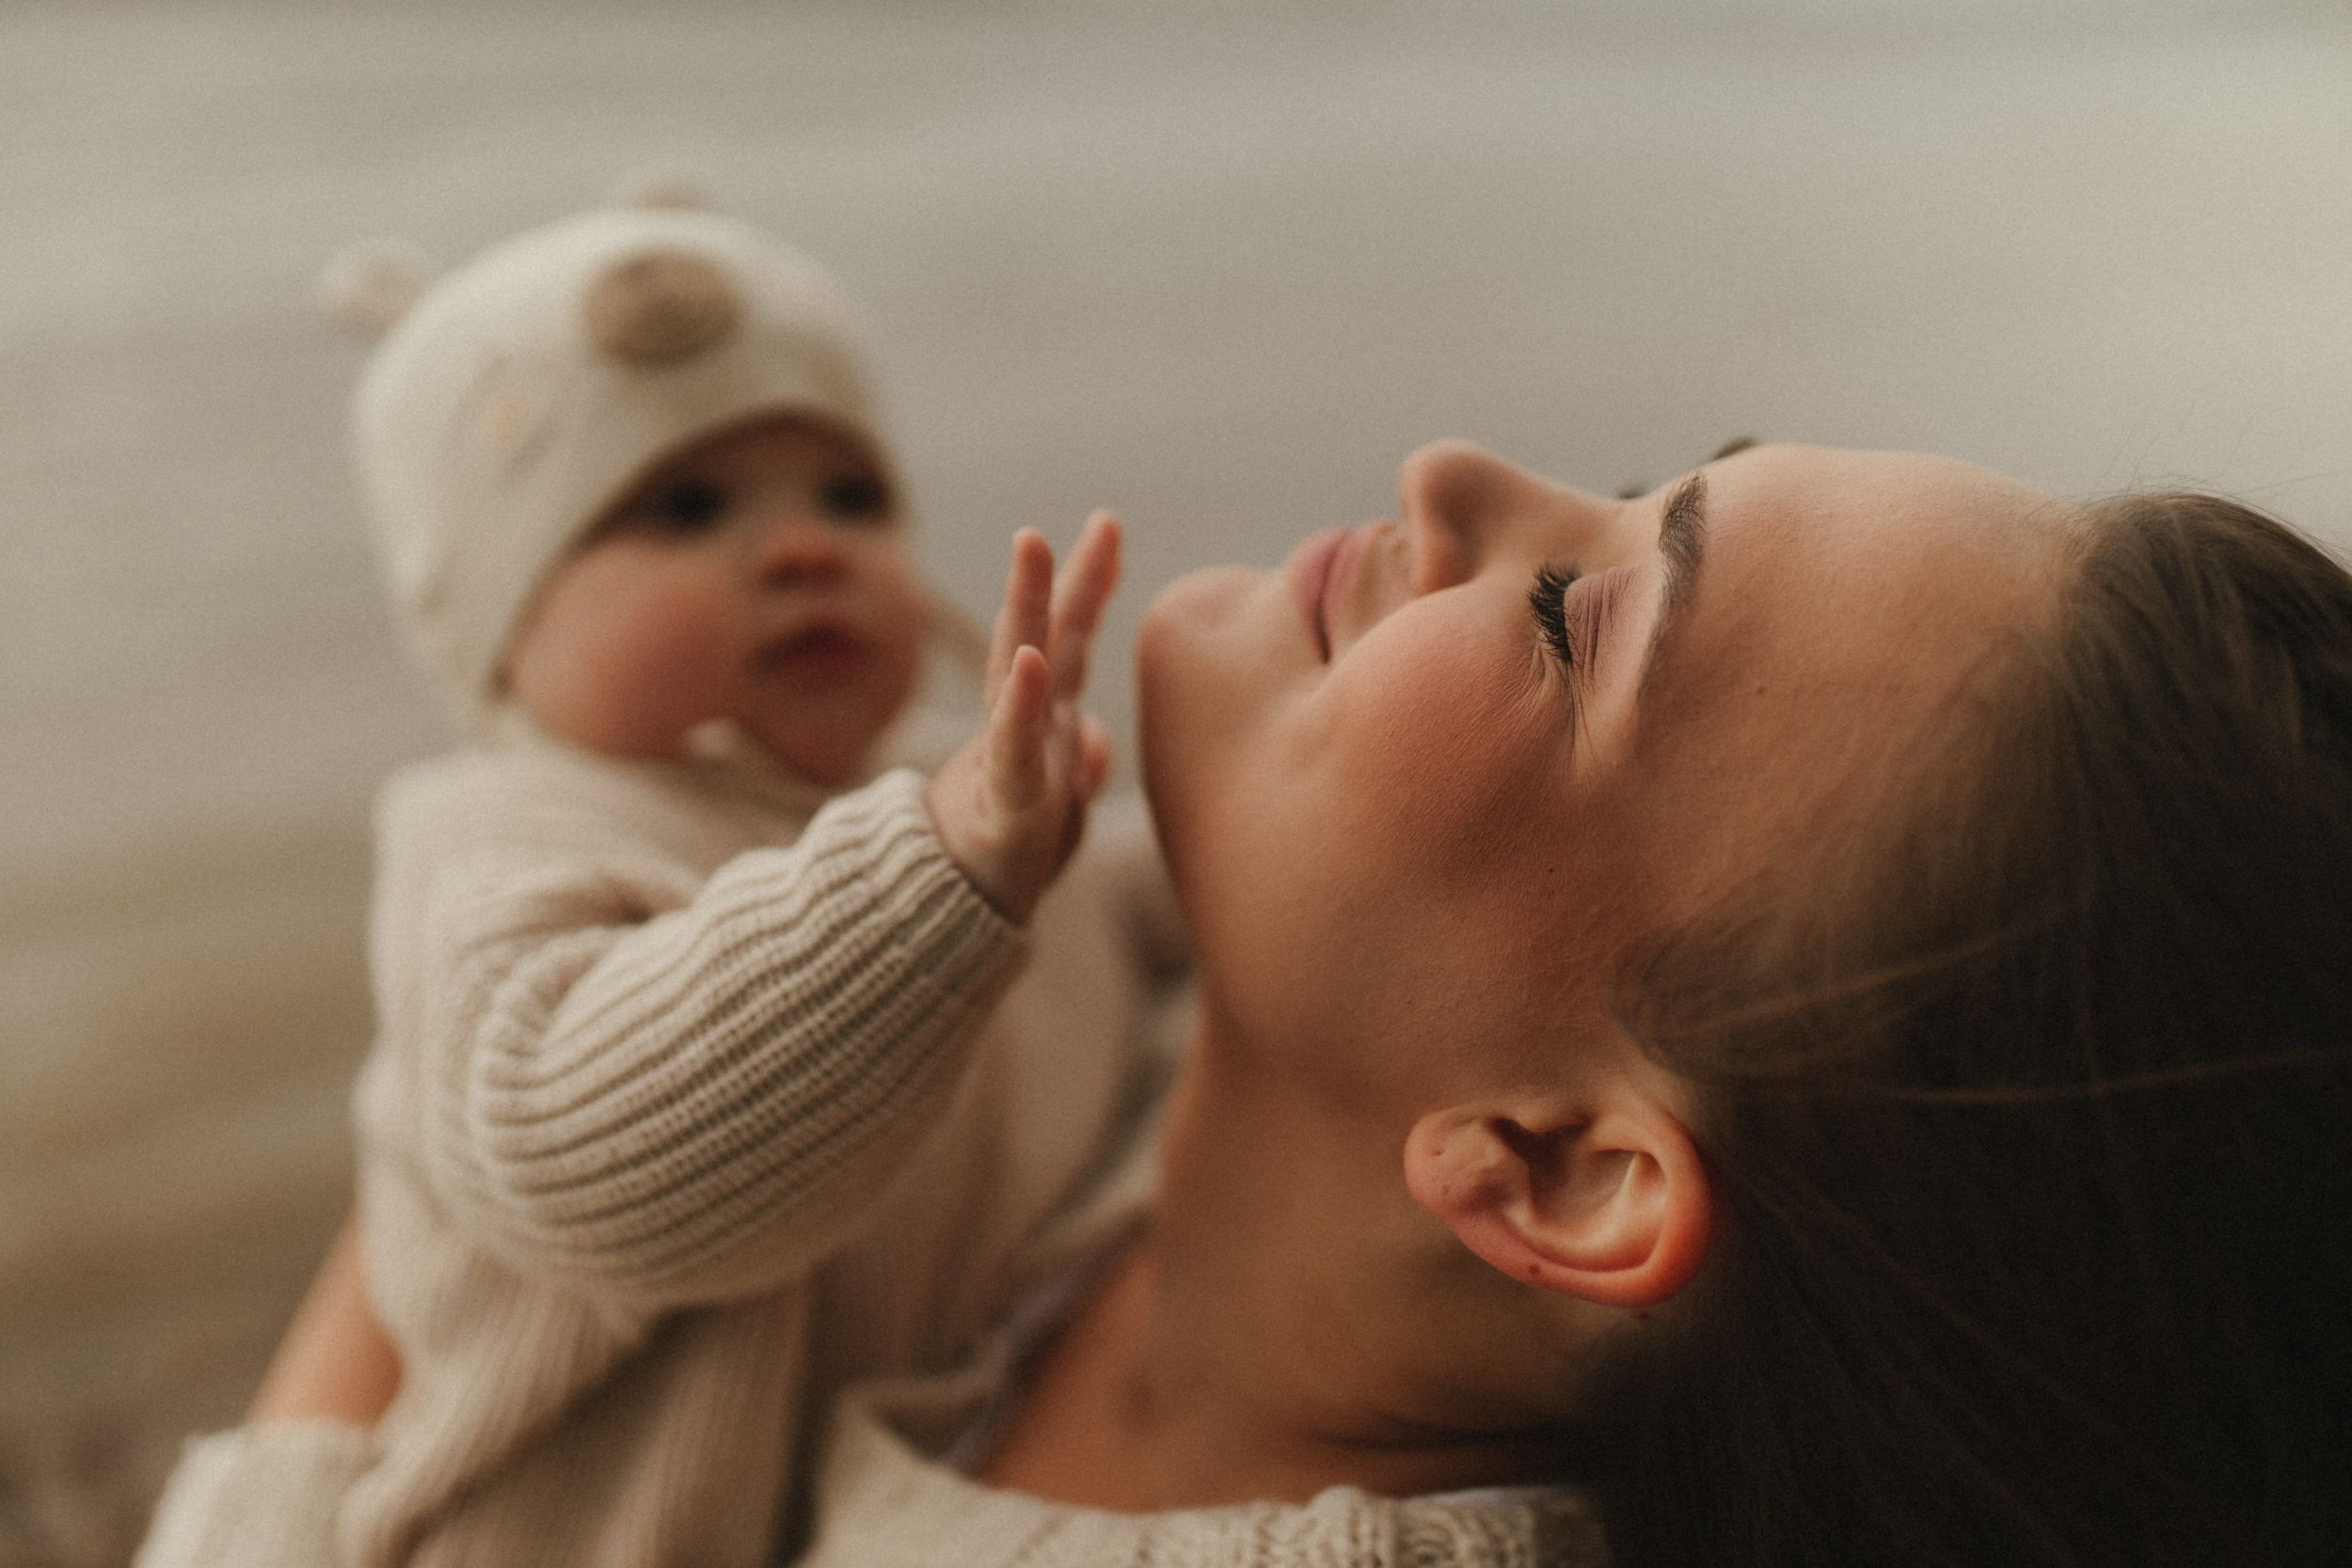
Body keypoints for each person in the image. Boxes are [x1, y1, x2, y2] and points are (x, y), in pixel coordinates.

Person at [161, 436, 2352, 1568]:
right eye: (1654, 461)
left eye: (1578, 622)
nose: (1457, 476)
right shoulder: (1128, 1134)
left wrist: (434, 1175)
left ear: (1567, 1170)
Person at [135, 193, 1184, 1568]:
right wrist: (948, 867)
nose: (804, 544)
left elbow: (1107, 914)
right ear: (497, 627)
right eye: (683, 506)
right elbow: (583, 1161)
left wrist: (1261, 817)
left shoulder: (936, 793)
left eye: (850, 493)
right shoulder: (507, 841)